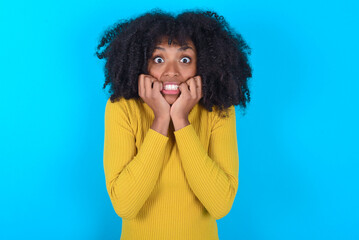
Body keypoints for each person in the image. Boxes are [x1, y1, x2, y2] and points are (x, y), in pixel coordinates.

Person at [95, 8, 252, 240]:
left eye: (185, 59)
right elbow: (125, 206)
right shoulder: (122, 108)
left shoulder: (219, 110)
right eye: (159, 59)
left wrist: (181, 120)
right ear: (142, 64)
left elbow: (220, 205)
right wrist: (160, 120)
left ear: (203, 65)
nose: (171, 72)